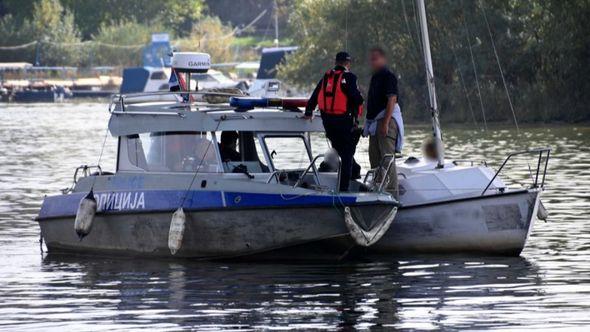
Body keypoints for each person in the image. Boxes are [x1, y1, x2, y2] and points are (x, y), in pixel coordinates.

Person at [304, 51, 364, 191]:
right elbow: (357, 99)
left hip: (328, 124)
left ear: (335, 62)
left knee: (342, 150)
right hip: (343, 122)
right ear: (347, 64)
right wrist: (360, 98)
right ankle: (343, 190)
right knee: (347, 154)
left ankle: (355, 171)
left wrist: (308, 112)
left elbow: (314, 97)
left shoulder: (326, 77)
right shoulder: (349, 77)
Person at [363, 47, 404, 198]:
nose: (372, 62)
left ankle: (392, 194)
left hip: (386, 120)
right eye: (371, 59)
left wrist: (385, 123)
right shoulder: (375, 77)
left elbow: (392, 99)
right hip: (375, 122)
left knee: (387, 158)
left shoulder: (388, 76)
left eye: (375, 58)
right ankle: (377, 190)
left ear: (382, 59)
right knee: (374, 157)